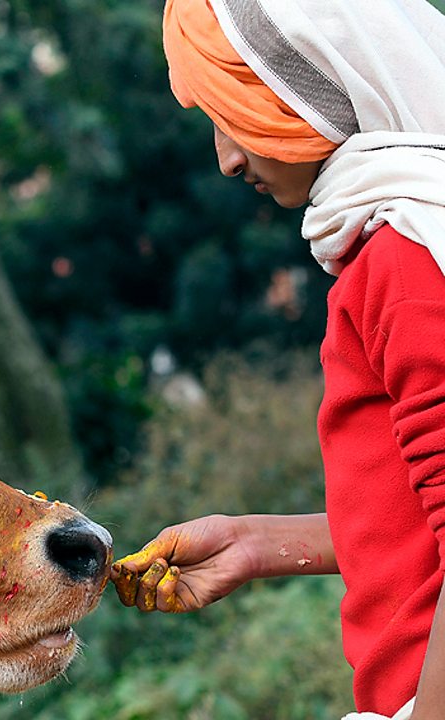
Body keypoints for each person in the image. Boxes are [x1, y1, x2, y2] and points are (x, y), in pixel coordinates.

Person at [110, 1, 445, 719]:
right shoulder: (406, 242)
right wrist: (257, 542)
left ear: (303, 91)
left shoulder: (406, 259)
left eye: (231, 114)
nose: (227, 159)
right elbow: (419, 517)